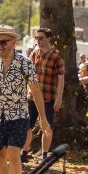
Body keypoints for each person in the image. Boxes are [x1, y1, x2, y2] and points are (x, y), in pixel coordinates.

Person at [0, 24, 48, 174]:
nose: (0, 46)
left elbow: (36, 91)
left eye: (4, 42)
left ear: (14, 42)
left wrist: (44, 120)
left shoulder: (25, 63)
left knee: (13, 151)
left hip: (18, 115)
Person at [24, 28, 64, 157]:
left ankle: (44, 155)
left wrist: (59, 98)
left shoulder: (56, 56)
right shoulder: (34, 54)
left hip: (48, 97)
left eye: (41, 38)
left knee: (47, 125)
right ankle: (24, 152)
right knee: (27, 125)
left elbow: (61, 78)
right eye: (37, 38)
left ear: (49, 39)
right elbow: (27, 75)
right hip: (32, 96)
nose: (38, 41)